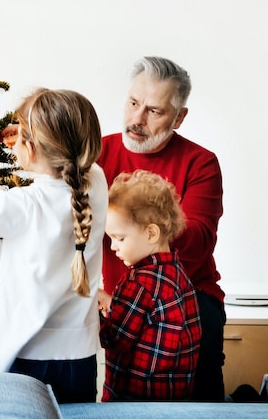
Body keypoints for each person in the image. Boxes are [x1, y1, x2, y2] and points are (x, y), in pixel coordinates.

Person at [0, 88, 108, 403]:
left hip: (25, 357)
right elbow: (67, 152)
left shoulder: (24, 205)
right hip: (79, 357)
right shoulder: (96, 183)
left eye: (20, 135)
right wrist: (30, 135)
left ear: (34, 148)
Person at [96, 56, 225, 401]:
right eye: (134, 104)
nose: (137, 120)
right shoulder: (95, 154)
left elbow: (197, 245)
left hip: (189, 295)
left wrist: (145, 216)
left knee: (198, 386)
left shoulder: (201, 163)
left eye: (154, 111)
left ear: (179, 118)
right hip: (119, 294)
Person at [100, 170, 202, 401]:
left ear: (151, 233)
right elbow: (146, 317)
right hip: (174, 394)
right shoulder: (176, 273)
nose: (113, 246)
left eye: (120, 238)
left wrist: (86, 310)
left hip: (136, 399)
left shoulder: (139, 284)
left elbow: (114, 338)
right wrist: (111, 302)